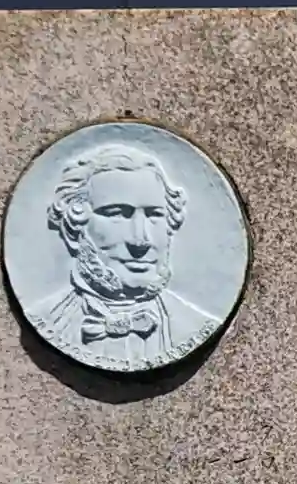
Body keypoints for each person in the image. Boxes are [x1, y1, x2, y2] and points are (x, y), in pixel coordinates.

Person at [27, 143, 222, 368]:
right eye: (117, 214)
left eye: (154, 215)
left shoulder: (194, 324)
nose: (140, 241)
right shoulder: (48, 318)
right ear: (74, 225)